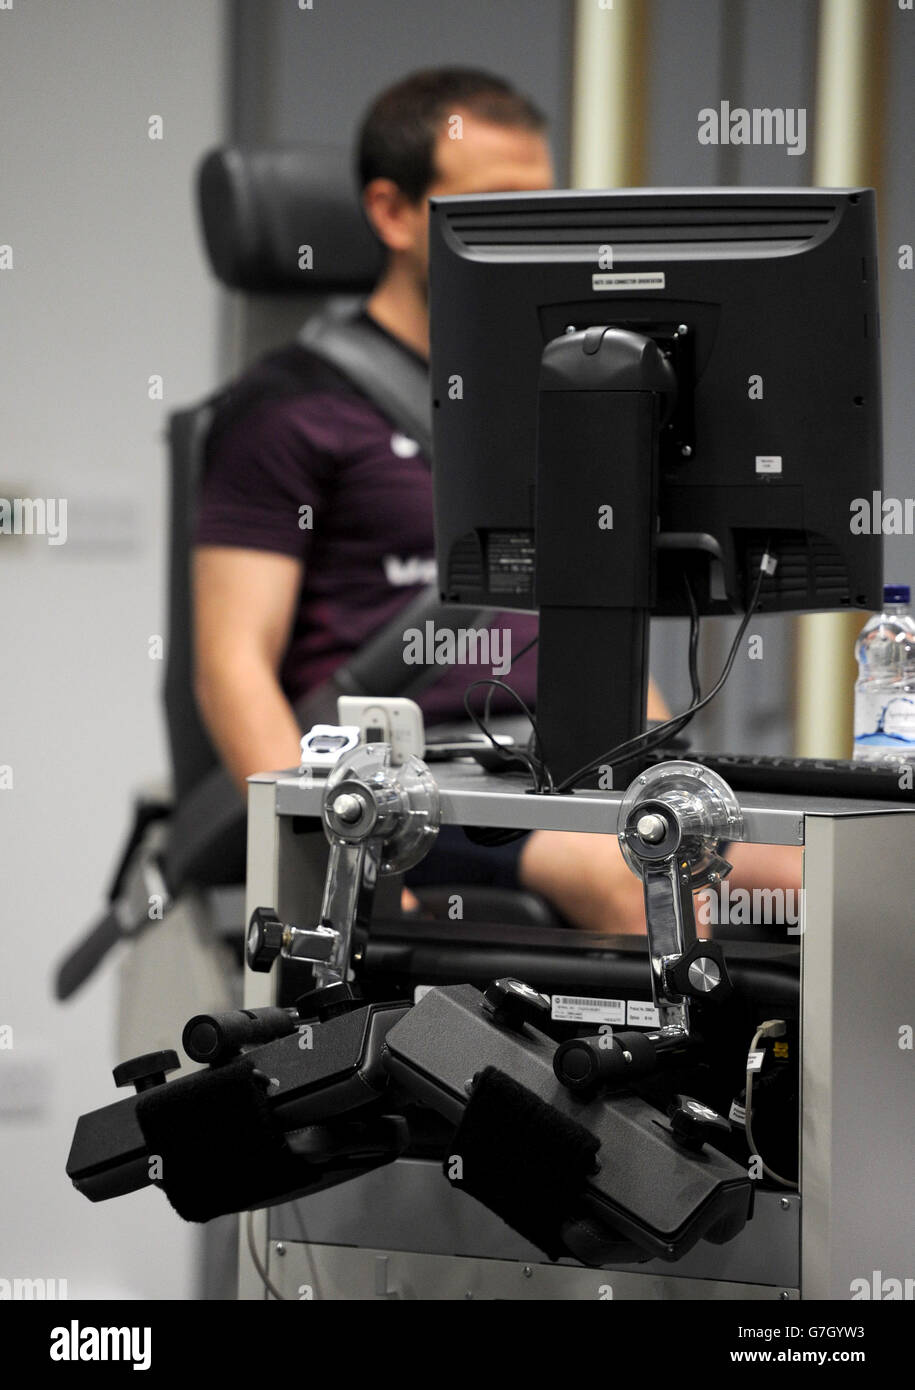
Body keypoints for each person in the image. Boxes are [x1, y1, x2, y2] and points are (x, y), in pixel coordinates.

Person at [193, 67, 800, 933]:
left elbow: (586, 606)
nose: (530, 238)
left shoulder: (552, 398)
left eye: (540, 207)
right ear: (394, 213)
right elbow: (230, 666)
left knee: (818, 876)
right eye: (495, 209)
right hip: (414, 784)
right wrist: (336, 850)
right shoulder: (288, 409)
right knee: (646, 887)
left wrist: (669, 762)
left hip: (554, 769)